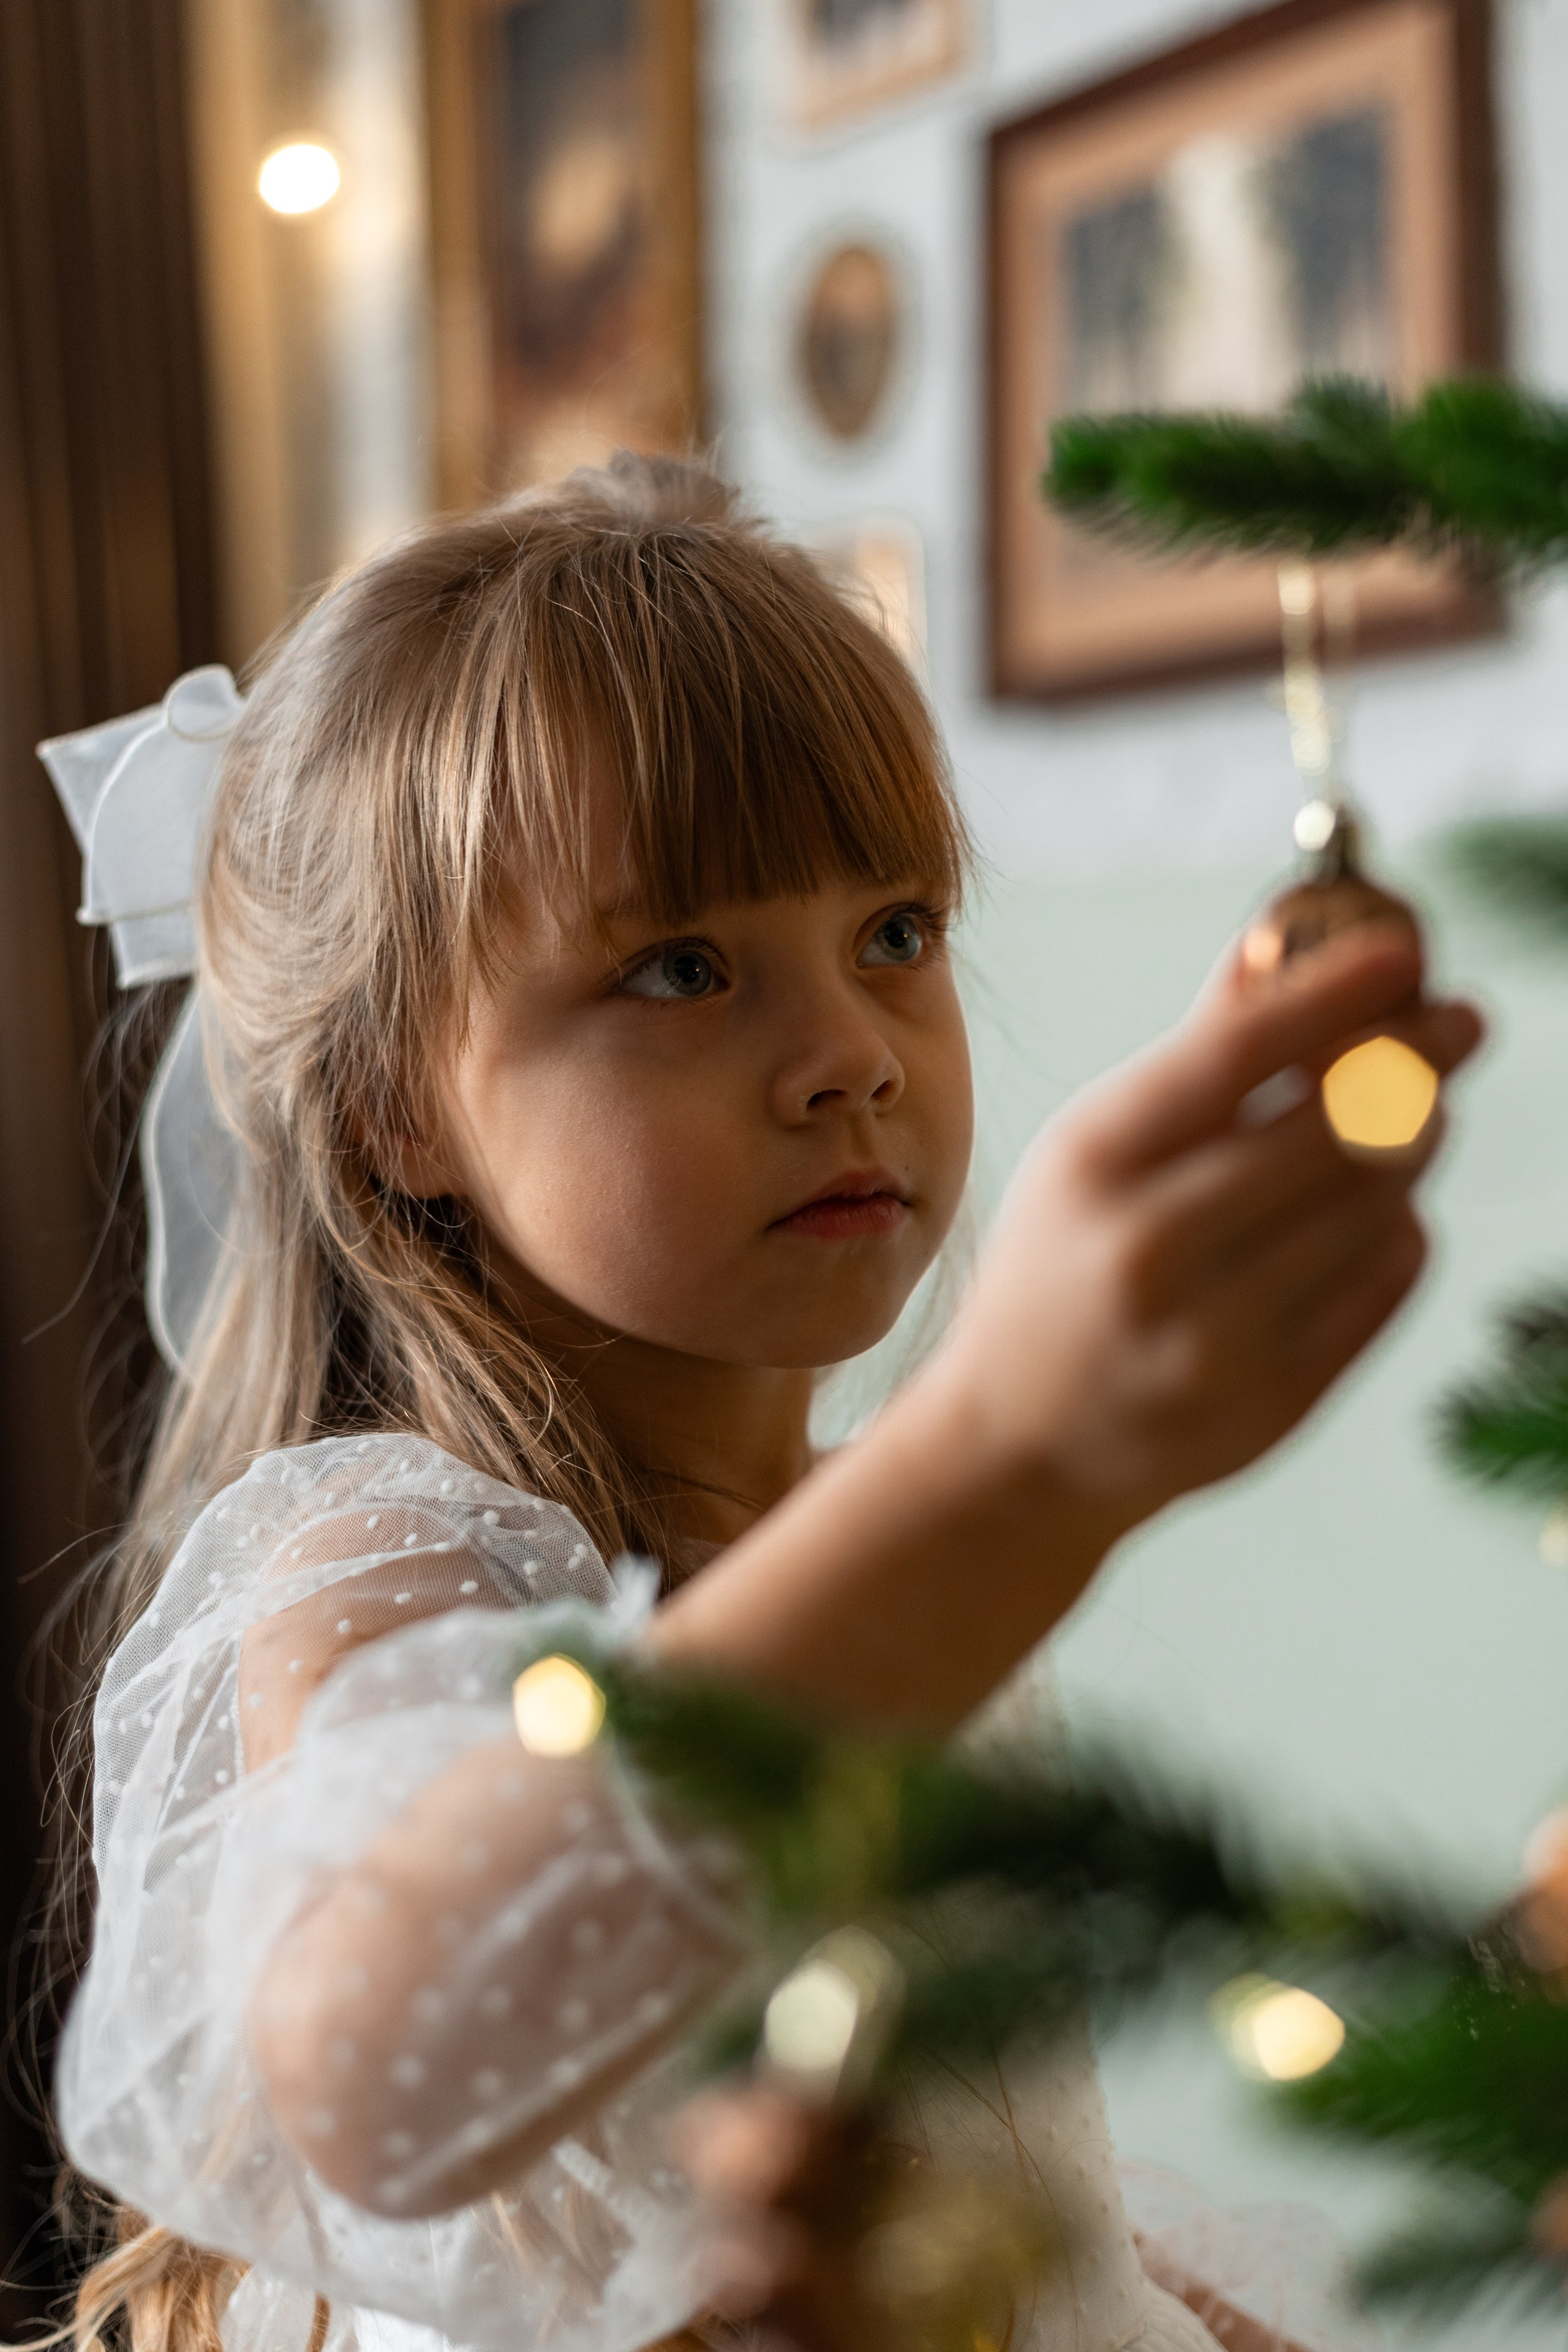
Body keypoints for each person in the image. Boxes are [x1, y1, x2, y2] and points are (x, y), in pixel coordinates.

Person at [45, 454, 1480, 2352]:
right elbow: (372, 2061)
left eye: (897, 933)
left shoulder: (877, 1539)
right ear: (397, 1104)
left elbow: (996, 2174)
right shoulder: (394, 1553)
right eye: (682, 968)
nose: (847, 1058)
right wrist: (1018, 1462)